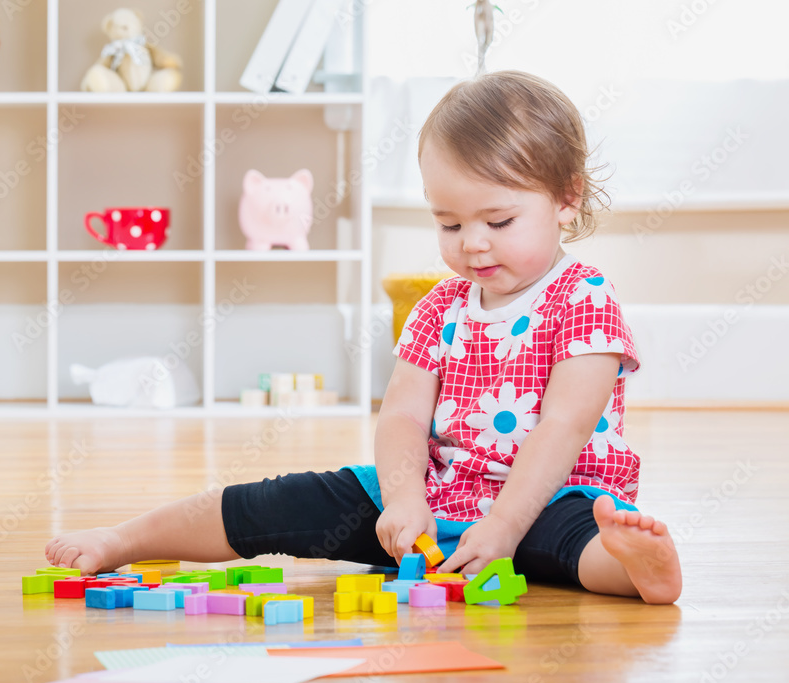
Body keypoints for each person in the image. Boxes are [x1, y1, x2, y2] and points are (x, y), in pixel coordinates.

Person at [46, 71, 682, 605]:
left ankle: (637, 567)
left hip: (549, 497)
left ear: (566, 199)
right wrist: (403, 503)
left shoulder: (583, 297)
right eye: (449, 222)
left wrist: (504, 526)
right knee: (279, 502)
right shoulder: (438, 306)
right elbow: (403, 414)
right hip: (434, 493)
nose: (473, 242)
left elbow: (563, 428)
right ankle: (125, 539)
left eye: (499, 219)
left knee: (569, 547)